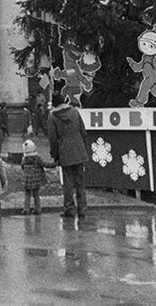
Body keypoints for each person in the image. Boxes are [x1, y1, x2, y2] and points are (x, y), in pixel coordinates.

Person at [46, 91, 90, 219]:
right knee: (80, 181)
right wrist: (85, 148)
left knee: (68, 183)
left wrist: (55, 155)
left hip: (65, 151)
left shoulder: (52, 117)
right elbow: (83, 131)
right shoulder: (75, 112)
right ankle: (82, 208)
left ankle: (69, 209)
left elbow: (52, 139)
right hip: (79, 148)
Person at [20, 139, 49, 215]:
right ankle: (38, 209)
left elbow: (22, 167)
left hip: (27, 179)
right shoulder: (37, 158)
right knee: (36, 194)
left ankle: (26, 209)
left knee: (27, 194)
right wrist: (53, 164)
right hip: (36, 179)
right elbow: (44, 164)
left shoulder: (24, 159)